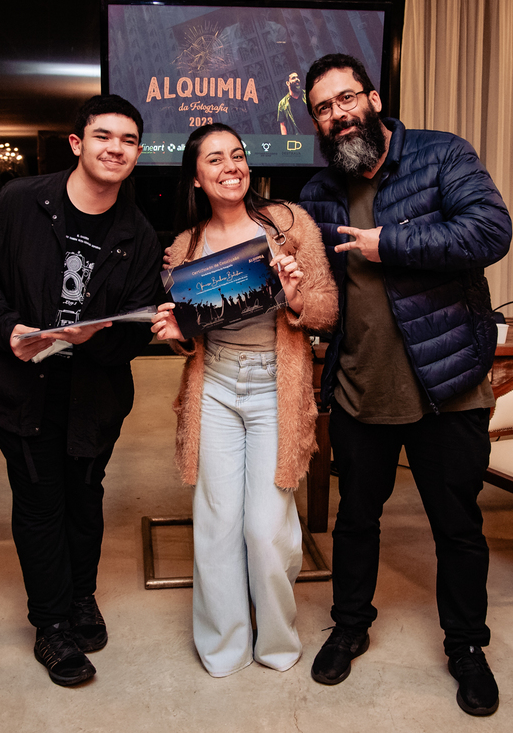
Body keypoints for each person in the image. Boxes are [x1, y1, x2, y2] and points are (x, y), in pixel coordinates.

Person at [298, 53, 512, 716]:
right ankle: (349, 625)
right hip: (361, 387)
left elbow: (490, 230)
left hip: (449, 384)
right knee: (356, 520)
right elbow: (319, 293)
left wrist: (388, 243)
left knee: (458, 525)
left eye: (346, 98)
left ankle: (466, 646)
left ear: (374, 98)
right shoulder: (318, 193)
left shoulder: (441, 155)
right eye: (323, 108)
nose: (337, 115)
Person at [0, 95, 163, 687]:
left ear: (137, 153)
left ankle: (82, 596)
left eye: (128, 140)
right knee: (39, 503)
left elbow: (137, 326)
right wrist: (8, 329)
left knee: (85, 498)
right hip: (22, 386)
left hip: (94, 393)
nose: (115, 148)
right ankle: (51, 625)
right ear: (77, 143)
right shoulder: (20, 201)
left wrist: (92, 338)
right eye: (103, 136)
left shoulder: (138, 233)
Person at [151, 123, 337, 677]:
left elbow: (328, 309)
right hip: (215, 388)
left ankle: (276, 641)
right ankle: (224, 646)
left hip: (276, 388)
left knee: (265, 526)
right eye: (215, 159)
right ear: (196, 177)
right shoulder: (184, 248)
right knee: (216, 524)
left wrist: (297, 296)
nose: (231, 166)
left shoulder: (287, 223)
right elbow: (190, 337)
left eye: (237, 155)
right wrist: (175, 333)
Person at [277, 71, 305, 136]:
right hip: (299, 138)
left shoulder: (308, 95)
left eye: (298, 77)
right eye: (293, 78)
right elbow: (283, 124)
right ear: (287, 83)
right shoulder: (282, 104)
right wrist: (285, 139)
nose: (297, 79)